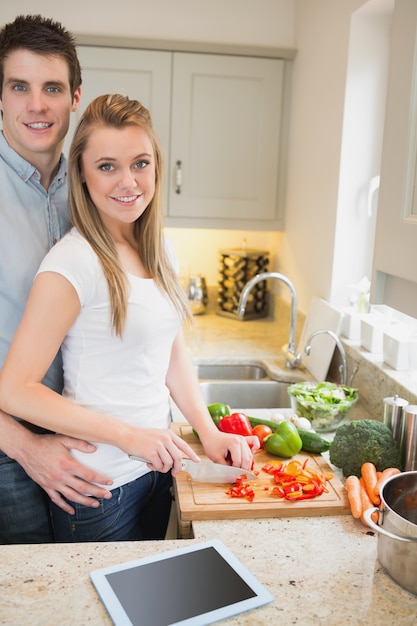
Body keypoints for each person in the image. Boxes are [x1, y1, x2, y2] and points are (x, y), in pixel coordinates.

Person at [0, 93, 259, 542]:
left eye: (140, 163)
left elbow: (170, 353)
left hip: (157, 470)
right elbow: (15, 390)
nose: (128, 181)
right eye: (107, 166)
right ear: (81, 172)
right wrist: (128, 436)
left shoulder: (161, 250)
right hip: (99, 487)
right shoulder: (72, 263)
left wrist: (209, 432)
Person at [0, 14, 115, 545]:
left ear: (75, 97)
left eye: (52, 87)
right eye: (19, 86)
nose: (36, 105)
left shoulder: (95, 185)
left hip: (82, 432)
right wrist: (25, 446)